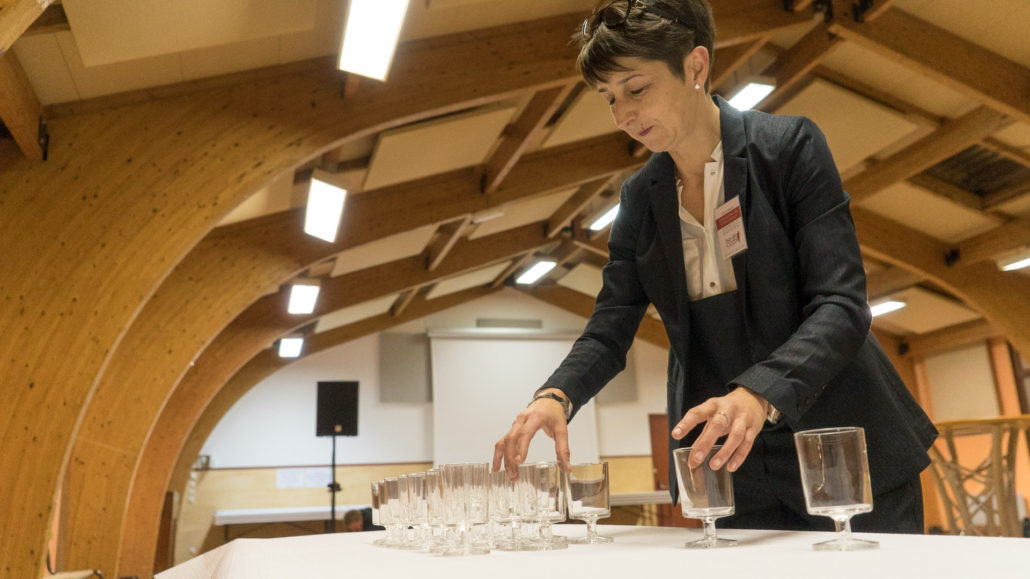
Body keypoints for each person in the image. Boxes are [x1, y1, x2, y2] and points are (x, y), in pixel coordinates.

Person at [492, 0, 937, 533]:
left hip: (837, 437)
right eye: (609, 98)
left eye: (636, 89)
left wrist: (759, 393)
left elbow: (841, 304)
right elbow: (610, 327)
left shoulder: (788, 148)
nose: (623, 116)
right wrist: (555, 396)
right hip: (729, 461)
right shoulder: (638, 202)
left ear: (696, 66)